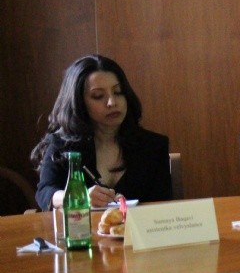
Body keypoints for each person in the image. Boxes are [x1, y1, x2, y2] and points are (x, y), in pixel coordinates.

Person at [32, 55, 172, 211]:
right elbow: (45, 192)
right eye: (98, 96)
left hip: (138, 226)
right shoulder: (62, 145)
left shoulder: (153, 146)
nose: (112, 102)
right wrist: (80, 196)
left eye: (118, 92)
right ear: (79, 103)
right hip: (82, 226)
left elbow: (163, 207)